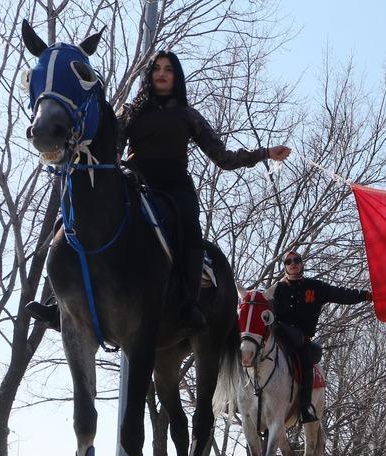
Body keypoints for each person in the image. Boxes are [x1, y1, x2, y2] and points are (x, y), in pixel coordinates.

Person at [27, 51, 291, 331]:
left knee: (190, 229)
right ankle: (62, 304)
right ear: (149, 75)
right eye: (157, 68)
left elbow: (223, 158)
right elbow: (114, 146)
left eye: (168, 69)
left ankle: (188, 303)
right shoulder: (131, 111)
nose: (162, 73)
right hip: (135, 181)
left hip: (174, 187)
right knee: (75, 217)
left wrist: (265, 153)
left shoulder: (188, 115)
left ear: (176, 77)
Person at [267, 250, 372, 424]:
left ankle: (305, 407)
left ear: (302, 263)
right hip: (278, 337)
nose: (293, 264)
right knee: (254, 350)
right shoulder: (276, 289)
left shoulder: (315, 287)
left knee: (307, 361)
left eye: (296, 260)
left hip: (302, 341)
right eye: (288, 262)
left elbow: (341, 294)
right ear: (284, 266)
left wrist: (366, 295)